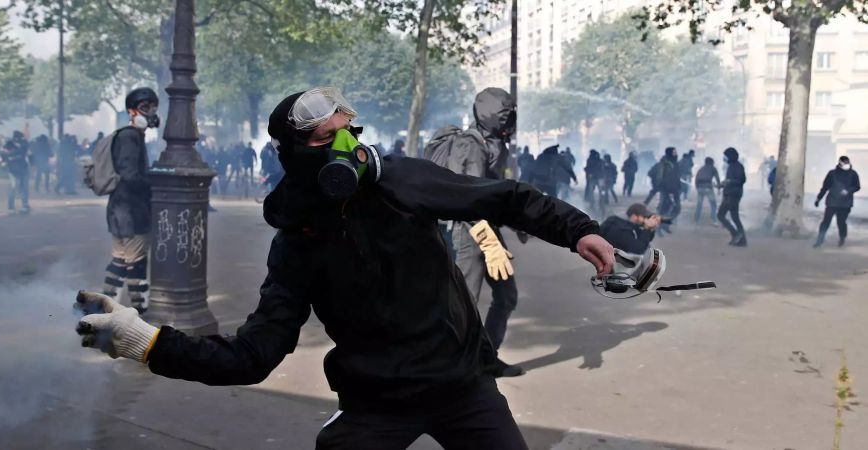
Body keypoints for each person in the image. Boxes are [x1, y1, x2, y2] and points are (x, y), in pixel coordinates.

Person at [74, 87, 615, 450]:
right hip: (376, 406)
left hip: (463, 389)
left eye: (349, 130)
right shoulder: (296, 242)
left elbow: (507, 198)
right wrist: (144, 341)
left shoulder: (399, 179)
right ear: (294, 155)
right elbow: (251, 356)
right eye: (327, 138)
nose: (347, 145)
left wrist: (580, 231)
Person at [445, 88, 526, 377]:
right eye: (504, 114)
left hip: (487, 230)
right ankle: (456, 368)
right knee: (465, 305)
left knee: (506, 295)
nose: (510, 120)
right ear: (490, 115)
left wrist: (519, 221)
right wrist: (488, 243)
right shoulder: (472, 144)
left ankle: (485, 358)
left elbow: (494, 193)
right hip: (471, 234)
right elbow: (467, 199)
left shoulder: (495, 144)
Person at [101, 87, 159, 313]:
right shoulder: (130, 137)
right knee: (136, 263)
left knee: (120, 261)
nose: (151, 113)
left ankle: (104, 307)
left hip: (120, 212)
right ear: (132, 112)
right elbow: (130, 175)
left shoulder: (130, 136)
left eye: (153, 108)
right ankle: (141, 310)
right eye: (146, 108)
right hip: (131, 212)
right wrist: (153, 181)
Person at [814, 156, 860, 248]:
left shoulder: (853, 174)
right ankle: (820, 239)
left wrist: (848, 190)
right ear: (840, 163)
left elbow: (857, 186)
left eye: (848, 162)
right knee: (826, 221)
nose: (847, 165)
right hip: (832, 201)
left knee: (841, 222)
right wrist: (819, 198)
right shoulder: (832, 174)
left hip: (845, 203)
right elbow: (825, 187)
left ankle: (842, 237)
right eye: (845, 163)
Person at [718, 147, 747, 247]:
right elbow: (730, 180)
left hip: (732, 194)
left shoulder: (737, 166)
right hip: (731, 193)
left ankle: (736, 234)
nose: (724, 158)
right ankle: (741, 238)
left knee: (721, 215)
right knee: (735, 217)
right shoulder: (732, 166)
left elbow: (741, 180)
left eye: (726, 156)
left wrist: (729, 182)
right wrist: (723, 184)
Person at [0, 131, 31, 214]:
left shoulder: (24, 145)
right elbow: (3, 154)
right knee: (14, 187)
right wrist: (4, 161)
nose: (19, 140)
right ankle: (11, 207)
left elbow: (24, 151)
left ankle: (25, 205)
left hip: (22, 169)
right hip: (13, 170)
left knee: (23, 188)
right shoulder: (9, 144)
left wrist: (9, 154)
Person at [693, 157, 721, 225]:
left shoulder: (701, 169)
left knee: (699, 204)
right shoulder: (713, 168)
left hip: (700, 187)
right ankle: (714, 219)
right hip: (708, 187)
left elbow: (696, 179)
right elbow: (717, 179)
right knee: (713, 204)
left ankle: (696, 219)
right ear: (712, 163)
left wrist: (697, 188)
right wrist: (719, 188)